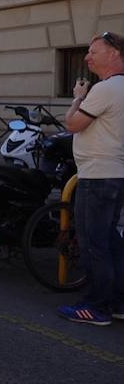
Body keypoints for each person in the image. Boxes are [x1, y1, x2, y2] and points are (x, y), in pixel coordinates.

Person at [56, 31, 124, 326]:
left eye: (93, 52)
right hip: (115, 173)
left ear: (113, 54)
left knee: (94, 242)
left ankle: (96, 307)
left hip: (98, 175)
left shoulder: (106, 89)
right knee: (110, 240)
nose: (87, 57)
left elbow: (72, 124)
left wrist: (78, 98)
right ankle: (118, 302)